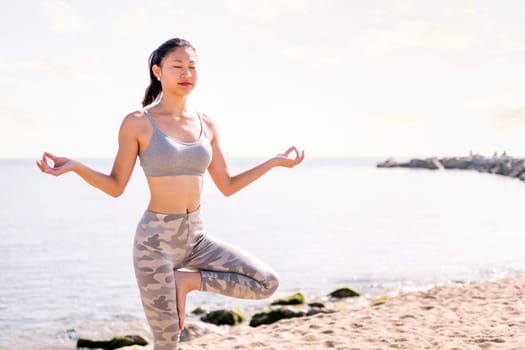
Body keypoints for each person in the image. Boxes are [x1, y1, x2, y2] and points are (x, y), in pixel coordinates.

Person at [36, 38, 304, 350]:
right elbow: (115, 186)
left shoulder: (207, 124)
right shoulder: (138, 122)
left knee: (266, 282)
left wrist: (273, 163)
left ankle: (187, 281)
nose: (186, 72)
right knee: (167, 342)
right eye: (177, 66)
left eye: (192, 66)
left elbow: (228, 185)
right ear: (157, 71)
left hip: (196, 238)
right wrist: (75, 167)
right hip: (155, 244)